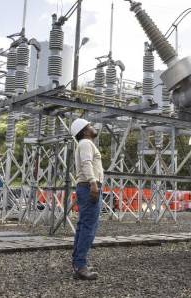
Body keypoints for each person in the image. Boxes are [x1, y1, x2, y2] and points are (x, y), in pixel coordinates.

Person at [69, 118, 104, 280]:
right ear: (84, 131)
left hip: (85, 187)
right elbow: (86, 163)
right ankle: (80, 265)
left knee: (84, 225)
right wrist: (93, 183)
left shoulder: (85, 144)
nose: (93, 127)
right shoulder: (85, 143)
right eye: (90, 125)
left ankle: (78, 262)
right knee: (89, 228)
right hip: (89, 186)